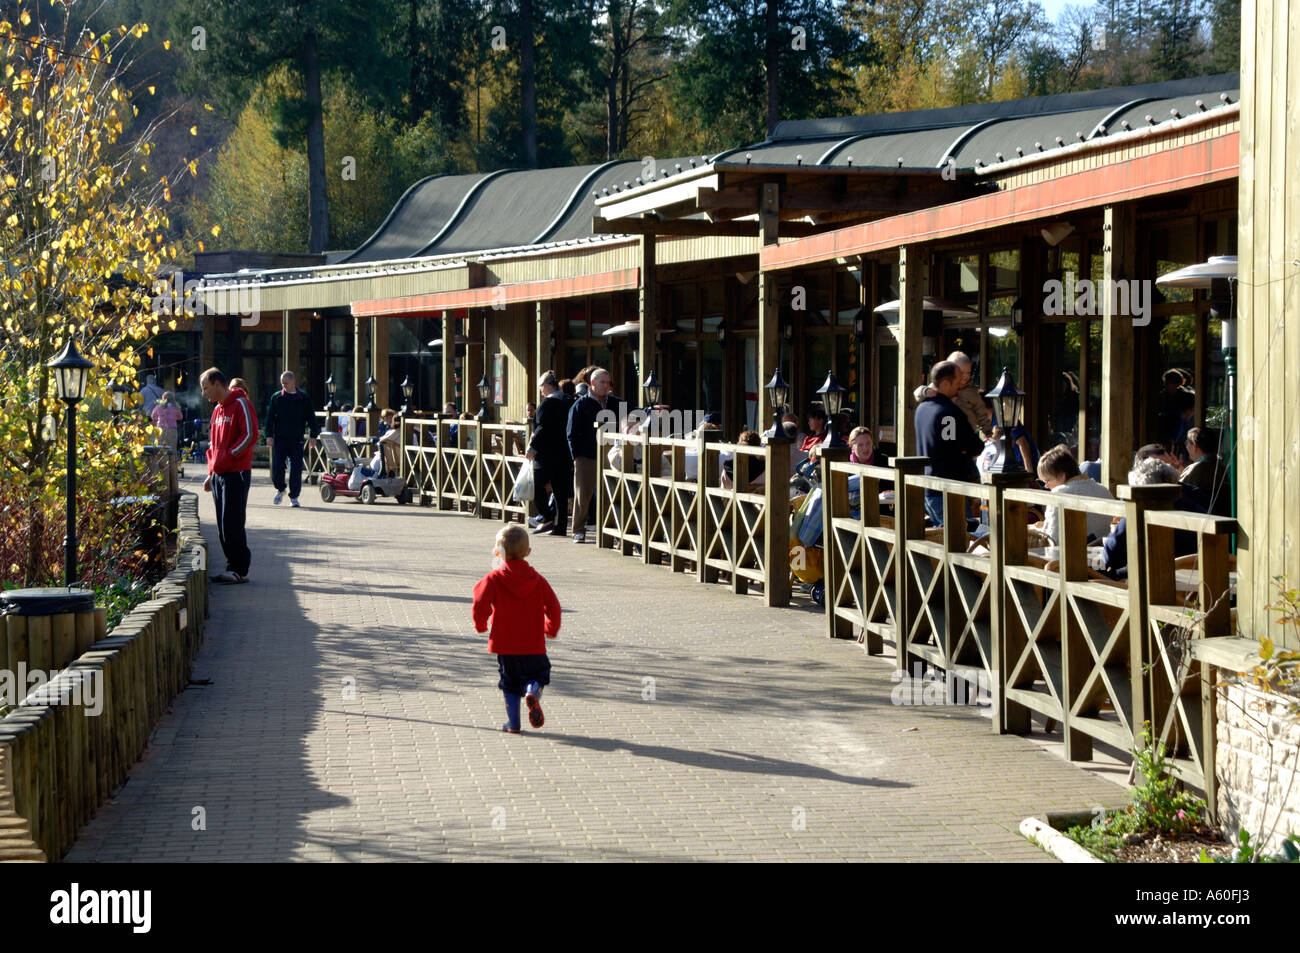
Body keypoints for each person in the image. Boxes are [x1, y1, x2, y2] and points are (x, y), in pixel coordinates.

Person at [472, 524, 562, 733]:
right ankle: (532, 691)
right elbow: (553, 605)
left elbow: (480, 602)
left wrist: (481, 625)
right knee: (539, 673)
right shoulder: (538, 581)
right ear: (528, 552)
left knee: (509, 683)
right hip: (533, 643)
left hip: (505, 644)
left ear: (498, 553)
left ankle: (513, 724)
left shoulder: (493, 579)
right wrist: (551, 627)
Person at [1100, 458, 1205, 578]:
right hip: (1194, 585)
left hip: (1148, 585)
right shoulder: (1195, 508)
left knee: (1094, 565)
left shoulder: (1135, 515)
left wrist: (1113, 533)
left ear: (1140, 488)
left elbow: (1108, 559)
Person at [201, 368, 257, 584]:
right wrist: (211, 471)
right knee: (223, 525)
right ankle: (231, 566)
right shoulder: (217, 411)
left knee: (233, 522)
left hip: (236, 472)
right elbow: (214, 444)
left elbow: (250, 435)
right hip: (219, 474)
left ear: (218, 384)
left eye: (206, 388)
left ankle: (240, 569)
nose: (204, 393)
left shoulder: (241, 404)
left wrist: (229, 456)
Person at [914, 361, 983, 526]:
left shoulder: (921, 409)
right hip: (948, 491)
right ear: (945, 383)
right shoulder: (949, 413)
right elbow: (974, 446)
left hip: (928, 487)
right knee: (962, 541)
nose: (961, 384)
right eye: (958, 380)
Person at [566, 367, 623, 543]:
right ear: (592, 383)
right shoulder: (580, 404)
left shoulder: (614, 403)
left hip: (610, 455)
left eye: (608, 382)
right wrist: (576, 456)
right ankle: (578, 530)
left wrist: (651, 409)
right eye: (602, 382)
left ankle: (611, 531)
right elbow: (571, 432)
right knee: (583, 495)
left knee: (612, 494)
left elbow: (633, 411)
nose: (606, 386)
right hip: (586, 456)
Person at [1030, 444, 1114, 545]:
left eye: (1047, 480)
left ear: (1061, 476)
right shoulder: (1103, 490)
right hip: (1102, 553)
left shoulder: (1058, 494)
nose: (1046, 486)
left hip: (1071, 557)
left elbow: (1053, 541)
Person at [526, 371, 573, 537]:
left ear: (546, 386)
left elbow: (541, 428)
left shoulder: (547, 404)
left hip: (546, 454)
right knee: (560, 491)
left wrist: (532, 446)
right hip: (564, 453)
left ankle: (547, 518)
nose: (540, 391)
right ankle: (560, 527)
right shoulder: (568, 401)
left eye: (540, 387)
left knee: (537, 487)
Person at [265, 370, 319, 507]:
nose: (283, 386)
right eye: (282, 383)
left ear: (293, 382)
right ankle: (281, 488)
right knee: (277, 467)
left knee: (296, 469)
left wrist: (313, 435)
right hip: (280, 438)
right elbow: (269, 418)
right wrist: (269, 435)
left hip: (296, 438)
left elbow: (311, 418)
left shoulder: (303, 398)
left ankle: (294, 497)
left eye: (286, 383)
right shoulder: (277, 397)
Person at [1181, 427, 1231, 516]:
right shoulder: (1220, 466)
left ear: (1195, 445)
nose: (1186, 446)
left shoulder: (1195, 469)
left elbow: (1177, 493)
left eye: (1187, 443)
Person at [948, 351, 993, 438]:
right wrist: (925, 391)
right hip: (946, 433)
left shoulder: (972, 392)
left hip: (965, 435)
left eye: (968, 372)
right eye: (961, 372)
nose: (965, 376)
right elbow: (919, 393)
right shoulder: (944, 386)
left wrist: (988, 432)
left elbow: (981, 413)